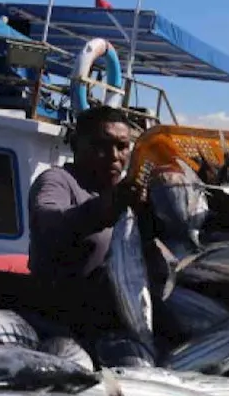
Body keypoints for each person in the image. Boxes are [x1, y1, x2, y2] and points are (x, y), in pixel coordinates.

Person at [27, 106, 146, 331]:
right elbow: (49, 222)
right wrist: (105, 208)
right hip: (60, 322)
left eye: (122, 147)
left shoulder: (128, 195)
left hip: (117, 320)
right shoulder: (57, 180)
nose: (114, 156)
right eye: (101, 145)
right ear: (75, 143)